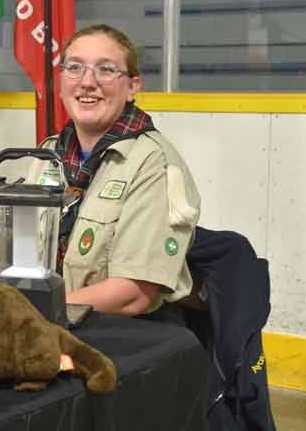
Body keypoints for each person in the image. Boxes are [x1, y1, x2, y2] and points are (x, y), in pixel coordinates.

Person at [33, 24, 201, 316]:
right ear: (61, 82)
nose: (87, 82)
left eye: (106, 70)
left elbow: (132, 295)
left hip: (119, 329)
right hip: (42, 323)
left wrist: (30, 314)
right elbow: (9, 253)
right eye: (75, 67)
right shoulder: (48, 154)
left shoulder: (154, 163)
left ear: (132, 87)